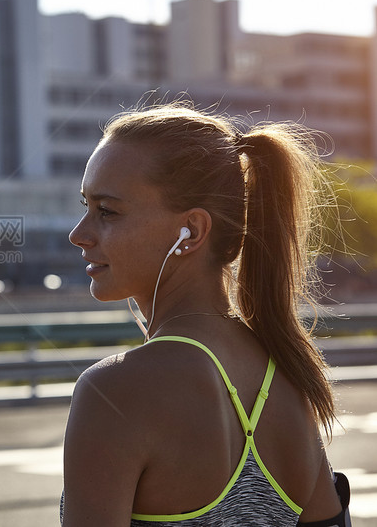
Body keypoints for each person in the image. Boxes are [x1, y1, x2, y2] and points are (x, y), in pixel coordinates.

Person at [61, 104, 351, 526]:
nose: (79, 235)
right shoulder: (289, 375)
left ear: (192, 231)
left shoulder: (116, 392)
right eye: (85, 206)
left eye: (107, 211)